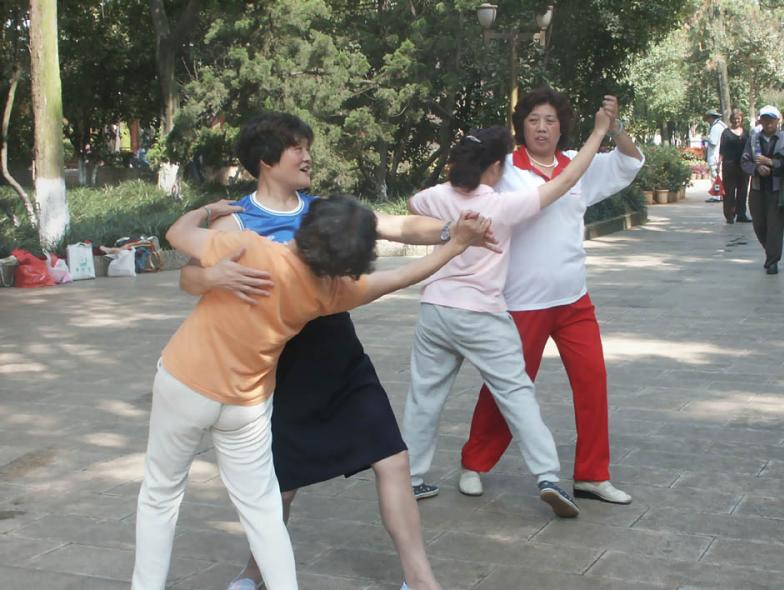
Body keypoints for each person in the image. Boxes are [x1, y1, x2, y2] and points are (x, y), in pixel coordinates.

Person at [179, 112, 483, 590]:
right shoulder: (234, 217)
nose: (307, 155)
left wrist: (450, 230)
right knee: (281, 482)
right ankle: (255, 571)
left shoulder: (320, 209)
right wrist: (213, 277)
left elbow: (394, 225)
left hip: (339, 354)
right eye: (295, 147)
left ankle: (420, 580)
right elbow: (188, 277)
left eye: (306, 145)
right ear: (264, 161)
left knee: (393, 458)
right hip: (276, 362)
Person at [402, 106, 611, 518]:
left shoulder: (436, 197)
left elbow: (413, 203)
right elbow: (567, 179)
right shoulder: (501, 206)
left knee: (424, 397)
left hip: (435, 312)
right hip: (482, 315)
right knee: (516, 394)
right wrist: (598, 131)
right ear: (496, 167)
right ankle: (549, 475)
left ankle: (410, 477)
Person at [458, 88, 644, 505]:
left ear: (562, 127)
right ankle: (474, 462)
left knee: (593, 381)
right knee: (508, 386)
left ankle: (592, 475)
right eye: (533, 120)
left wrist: (615, 129)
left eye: (550, 121)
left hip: (573, 298)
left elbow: (628, 161)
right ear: (521, 126)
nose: (542, 128)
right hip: (522, 301)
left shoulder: (577, 164)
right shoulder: (506, 170)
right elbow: (466, 192)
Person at [741, 105, 784, 275]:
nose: (768, 123)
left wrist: (771, 163)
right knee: (759, 225)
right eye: (765, 120)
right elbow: (744, 162)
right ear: (760, 121)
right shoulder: (753, 139)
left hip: (777, 191)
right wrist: (757, 169)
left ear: (778, 120)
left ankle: (772, 261)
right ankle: (770, 251)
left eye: (771, 120)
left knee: (775, 227)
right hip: (757, 189)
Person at [719, 108, 751, 224]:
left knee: (743, 191)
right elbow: (722, 149)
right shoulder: (726, 133)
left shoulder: (746, 132)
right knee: (729, 191)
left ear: (741, 119)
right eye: (734, 118)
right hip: (729, 166)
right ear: (731, 119)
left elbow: (750, 148)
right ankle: (729, 215)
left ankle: (741, 214)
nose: (736, 120)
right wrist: (718, 164)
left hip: (744, 166)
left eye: (738, 118)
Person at [704, 109, 727, 203]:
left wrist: (706, 138)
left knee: (715, 176)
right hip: (720, 155)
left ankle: (717, 195)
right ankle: (721, 194)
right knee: (720, 176)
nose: (707, 120)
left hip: (715, 156)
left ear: (711, 118)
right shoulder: (722, 125)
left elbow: (713, 142)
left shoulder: (715, 127)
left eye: (708, 118)